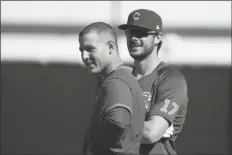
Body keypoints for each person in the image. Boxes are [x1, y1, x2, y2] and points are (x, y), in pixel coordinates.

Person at [118, 9, 189, 155]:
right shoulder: (120, 78)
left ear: (157, 38)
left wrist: (111, 127)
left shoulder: (171, 79)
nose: (133, 38)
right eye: (130, 32)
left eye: (141, 33)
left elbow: (151, 133)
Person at [78, 22, 146, 155]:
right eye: (81, 50)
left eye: (90, 49)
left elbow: (118, 124)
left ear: (110, 47)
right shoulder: (119, 79)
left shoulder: (116, 82)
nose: (84, 56)